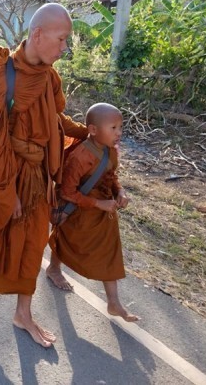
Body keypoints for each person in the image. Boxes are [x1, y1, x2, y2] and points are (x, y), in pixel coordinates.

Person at [0, 3, 89, 347]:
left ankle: (23, 313)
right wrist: (7, 193)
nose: (65, 47)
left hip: (36, 178)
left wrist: (86, 134)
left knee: (33, 244)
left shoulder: (48, 76)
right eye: (62, 39)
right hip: (3, 172)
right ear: (38, 34)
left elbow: (53, 120)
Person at [46, 102, 139, 322]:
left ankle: (114, 302)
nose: (119, 133)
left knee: (110, 253)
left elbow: (111, 177)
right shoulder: (80, 156)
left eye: (120, 127)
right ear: (94, 130)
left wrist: (120, 191)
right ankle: (53, 269)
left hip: (104, 213)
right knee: (64, 241)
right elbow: (67, 192)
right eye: (113, 128)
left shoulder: (109, 151)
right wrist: (98, 204)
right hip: (79, 212)